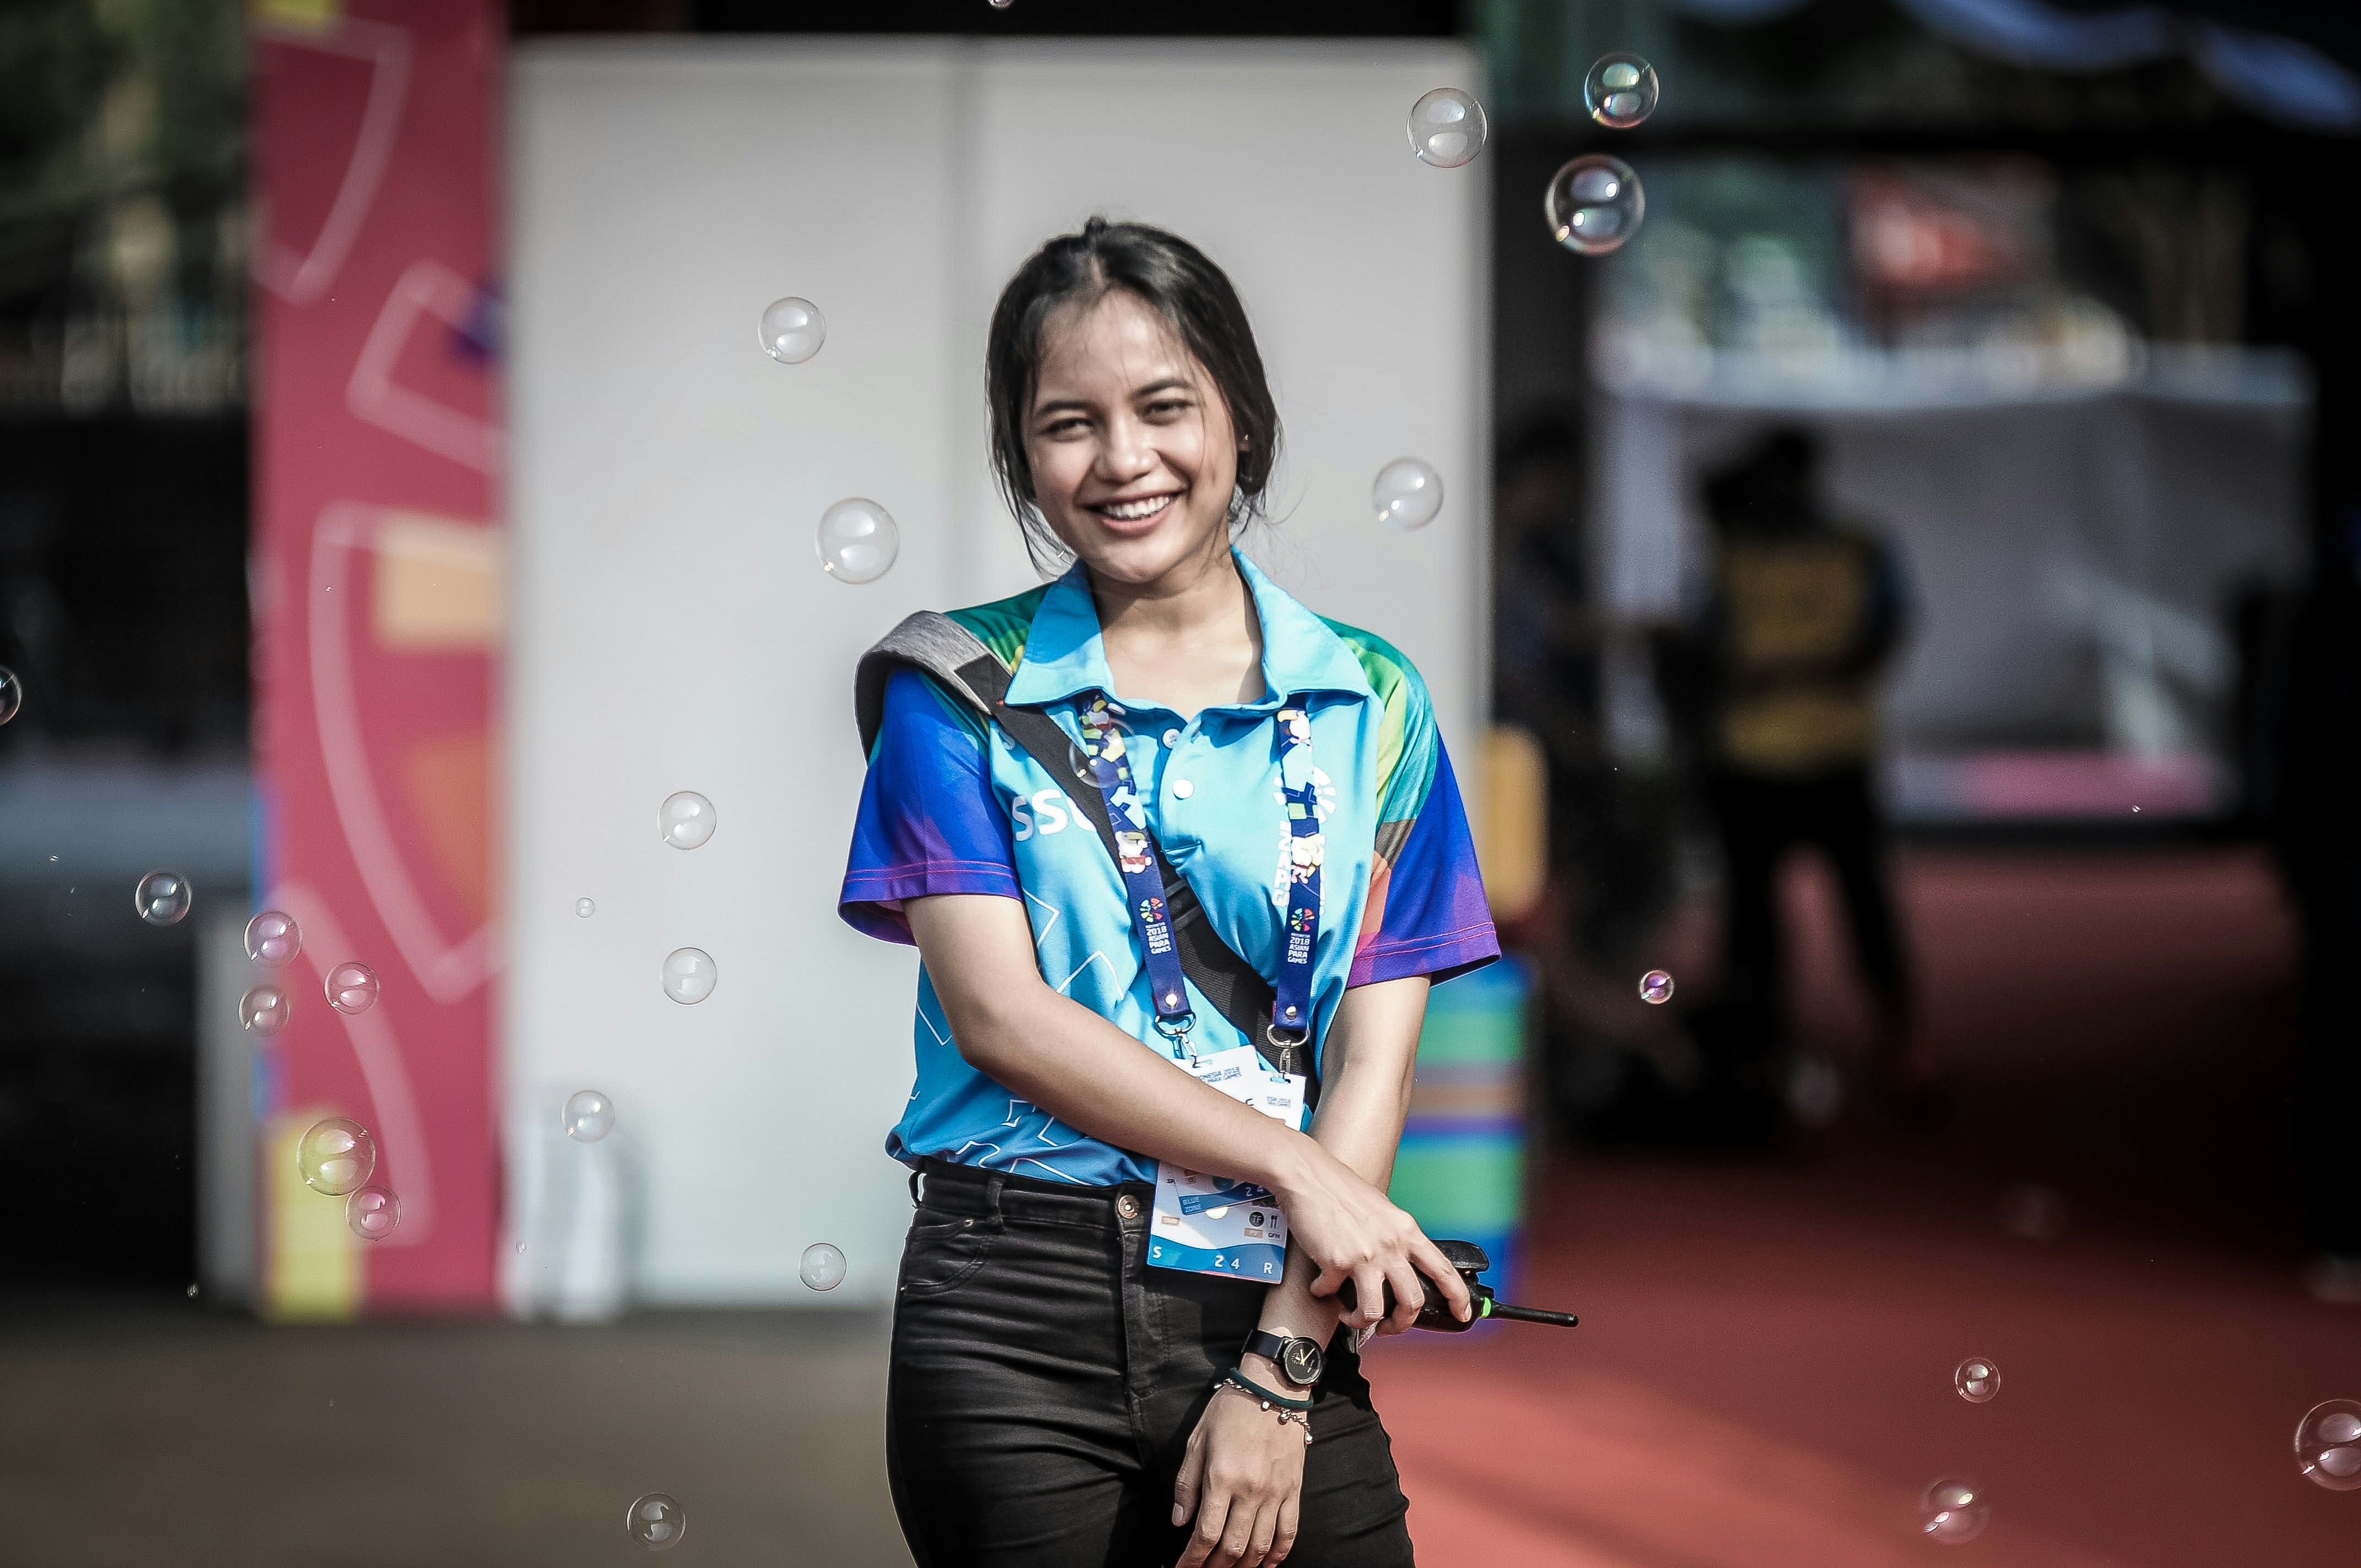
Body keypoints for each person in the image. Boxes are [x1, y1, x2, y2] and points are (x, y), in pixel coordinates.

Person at [837, 218, 1499, 1568]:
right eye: (1067, 423)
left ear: (1239, 420)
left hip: (1268, 1289)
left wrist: (1278, 1371)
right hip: (1010, 1310)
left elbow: (1372, 1061)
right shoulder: (951, 686)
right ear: (1022, 455)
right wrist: (1295, 1165)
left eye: (1163, 407)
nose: (1123, 460)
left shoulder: (1373, 702)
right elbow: (999, 1016)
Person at [1695, 427, 1929, 1117]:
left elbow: (1889, 632)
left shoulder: (1859, 546)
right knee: (1756, 923)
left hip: (1824, 755)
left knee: (1863, 908)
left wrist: (1792, 674)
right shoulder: (1735, 553)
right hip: (1755, 759)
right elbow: (1709, 644)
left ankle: (1900, 1043)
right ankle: (1761, 1060)